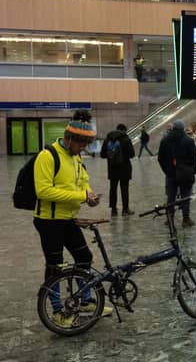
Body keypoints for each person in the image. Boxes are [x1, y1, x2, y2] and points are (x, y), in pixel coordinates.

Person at [33, 110, 111, 327]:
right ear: (68, 139)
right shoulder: (47, 156)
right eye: (81, 144)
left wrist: (90, 195)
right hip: (48, 221)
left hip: (68, 218)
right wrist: (80, 195)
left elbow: (83, 181)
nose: (83, 149)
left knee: (84, 258)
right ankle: (58, 311)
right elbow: (43, 191)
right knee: (55, 266)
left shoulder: (75, 157)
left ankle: (85, 300)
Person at [158, 119, 196, 227]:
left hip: (170, 173)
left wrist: (166, 170)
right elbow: (194, 158)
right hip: (185, 173)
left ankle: (169, 218)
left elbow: (160, 158)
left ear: (173, 128)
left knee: (170, 196)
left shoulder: (165, 140)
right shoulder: (189, 141)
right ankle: (186, 219)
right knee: (185, 196)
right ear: (183, 128)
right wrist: (192, 171)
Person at [100, 123, 135, 217]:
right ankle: (125, 209)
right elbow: (132, 154)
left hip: (112, 169)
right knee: (124, 189)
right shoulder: (126, 139)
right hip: (124, 168)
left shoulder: (108, 139)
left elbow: (102, 155)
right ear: (124, 130)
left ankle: (113, 210)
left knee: (113, 189)